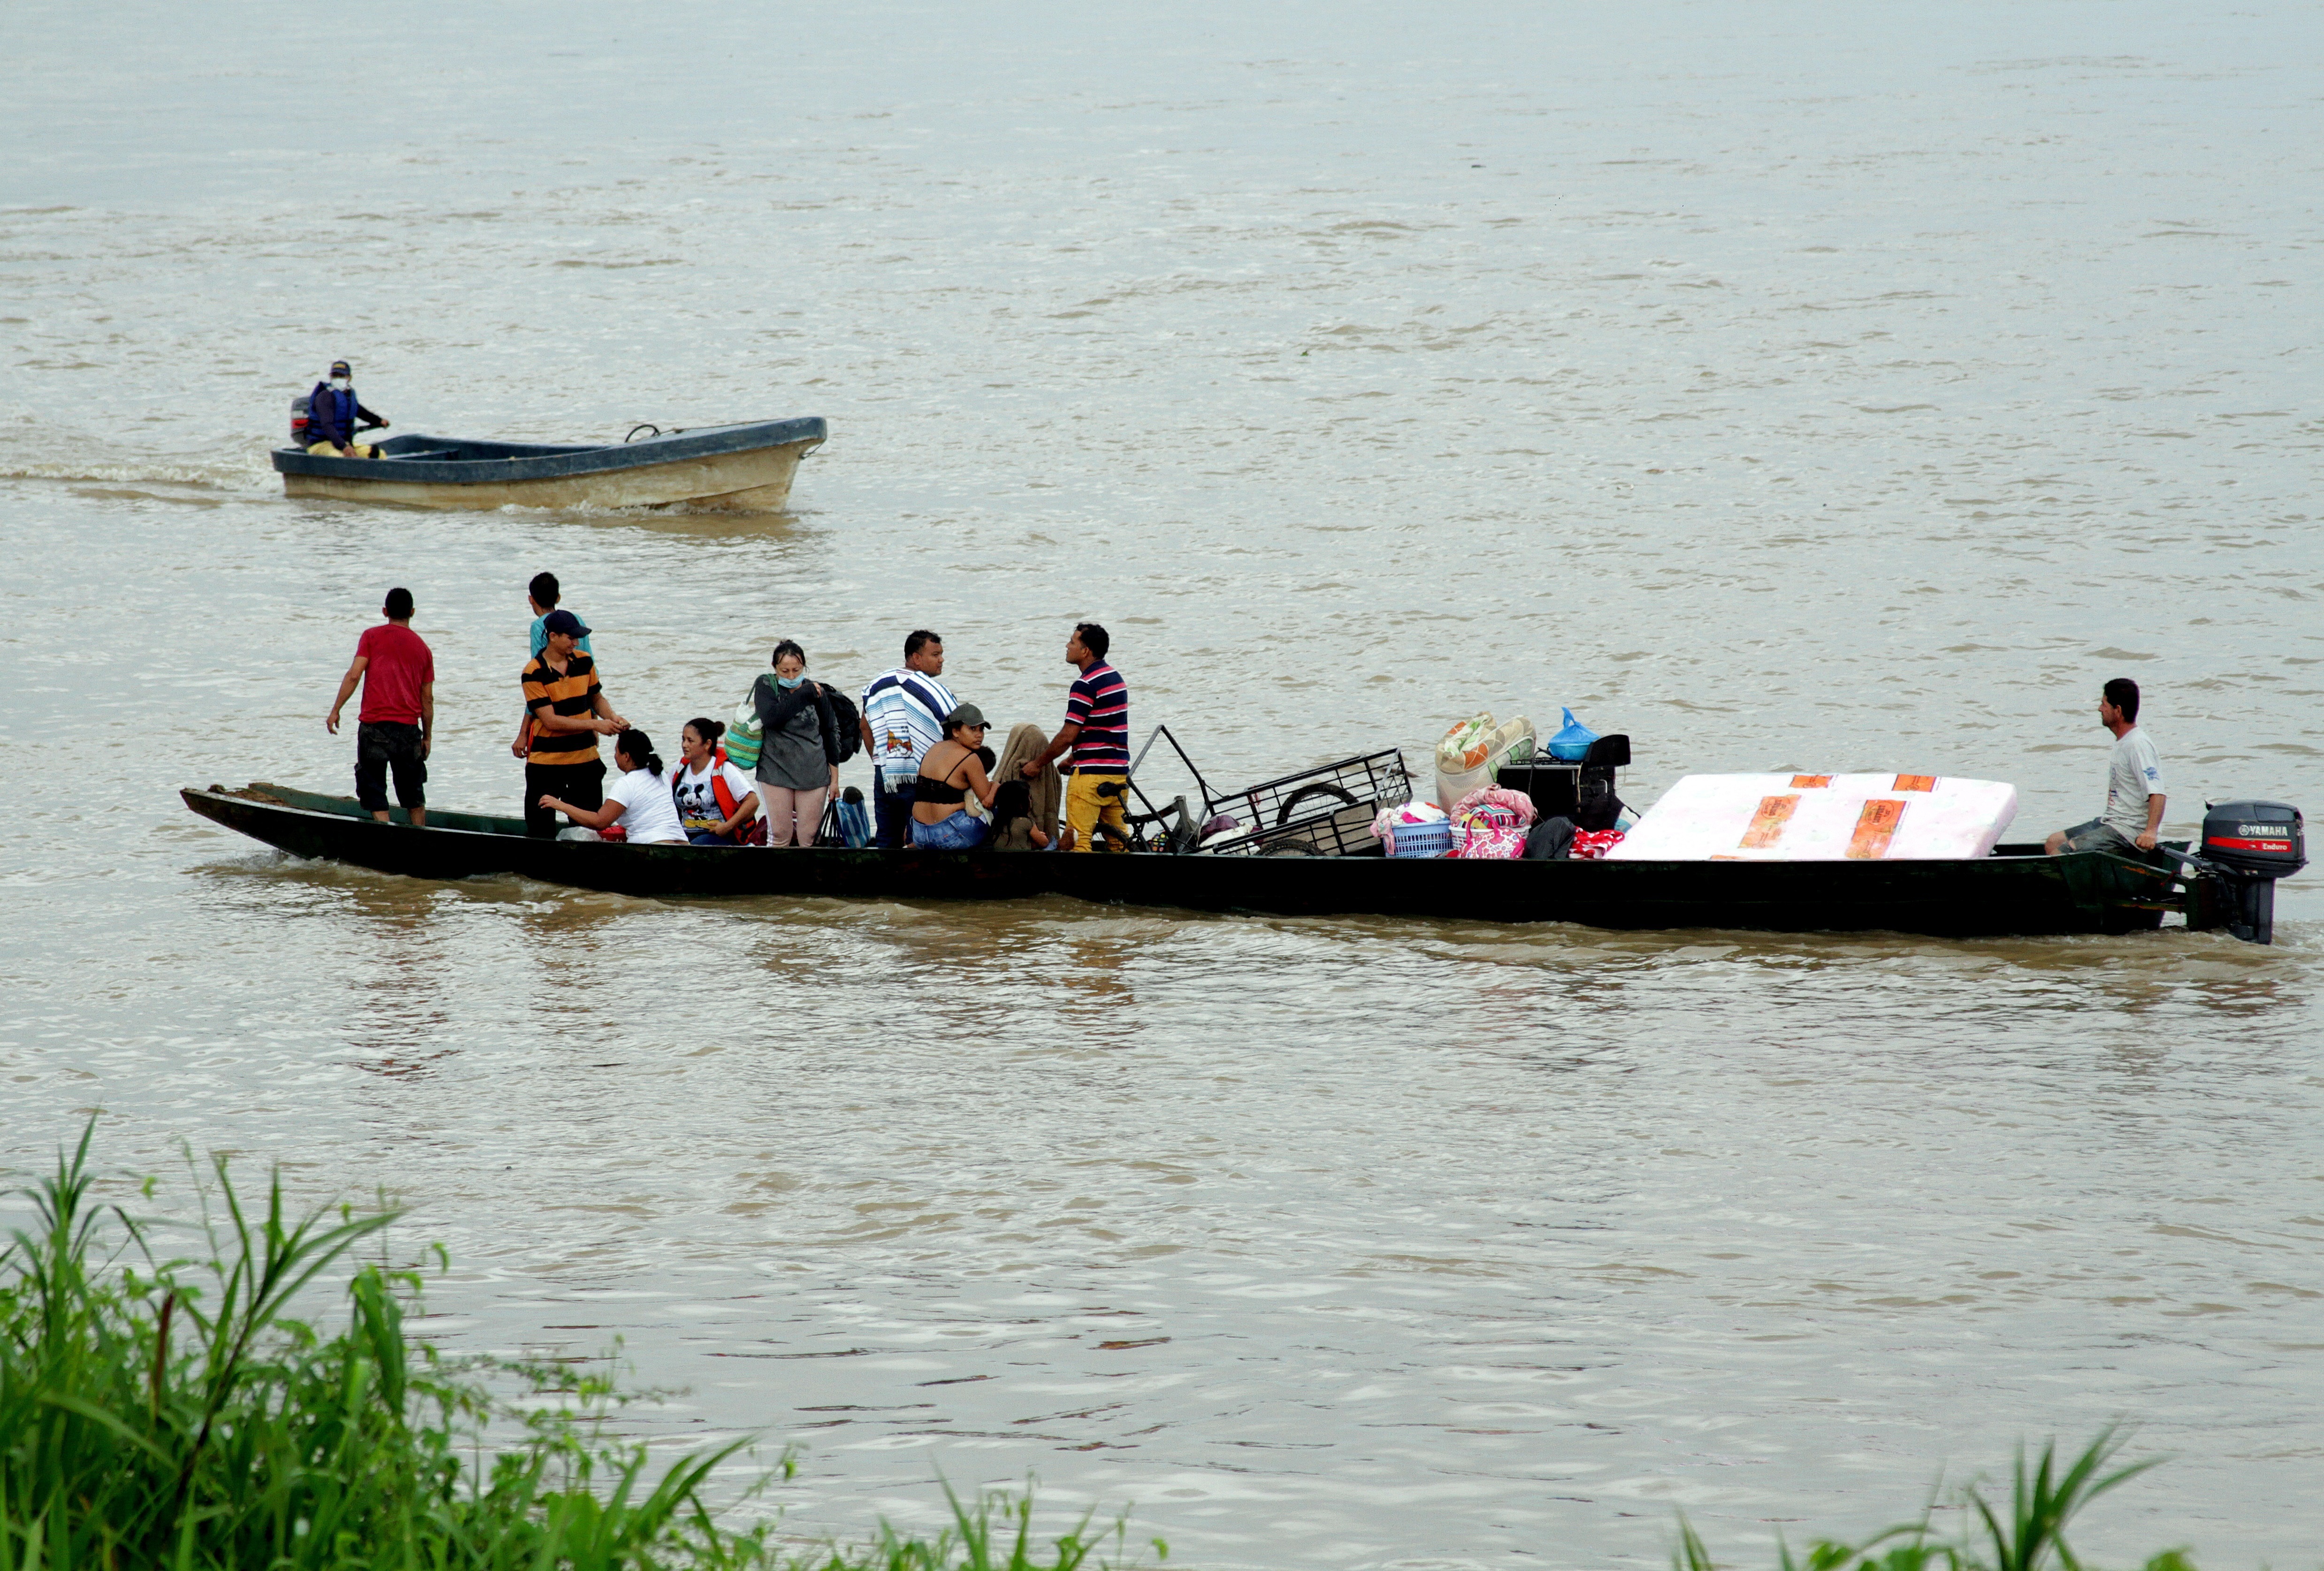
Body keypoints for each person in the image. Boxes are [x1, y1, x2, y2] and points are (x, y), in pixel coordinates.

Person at [325, 586, 434, 826]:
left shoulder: (371, 637)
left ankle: (384, 834)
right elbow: (427, 700)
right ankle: (420, 840)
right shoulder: (423, 649)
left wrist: (336, 710)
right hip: (408, 730)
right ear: (413, 612)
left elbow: (354, 675)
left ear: (385, 611)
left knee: (373, 789)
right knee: (413, 794)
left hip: (374, 727)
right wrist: (427, 737)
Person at [1021, 622, 1129, 853]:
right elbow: (1104, 728)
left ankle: (1078, 890)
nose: (1067, 646)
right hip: (1118, 774)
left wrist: (1038, 764)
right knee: (1119, 844)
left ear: (1085, 651)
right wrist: (1072, 759)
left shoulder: (1084, 684)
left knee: (1078, 844)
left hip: (1090, 778)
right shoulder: (1115, 679)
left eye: (1072, 642)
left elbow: (1068, 735)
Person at [521, 609, 627, 837]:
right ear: (553, 637)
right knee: (540, 830)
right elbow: (550, 721)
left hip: (585, 760)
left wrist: (613, 718)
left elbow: (596, 698)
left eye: (577, 638)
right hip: (546, 764)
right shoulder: (533, 672)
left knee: (587, 831)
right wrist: (595, 725)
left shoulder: (585, 662)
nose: (576, 643)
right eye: (571, 638)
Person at [858, 629, 958, 848]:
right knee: (919, 840)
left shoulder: (879, 684)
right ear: (916, 658)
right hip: (923, 779)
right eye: (935, 654)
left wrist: (880, 760)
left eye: (941, 654)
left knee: (886, 837)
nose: (942, 660)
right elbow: (958, 735)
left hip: (885, 775)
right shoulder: (934, 690)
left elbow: (865, 727)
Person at [2047, 678, 2168, 855]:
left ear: (2118, 711)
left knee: (2064, 853)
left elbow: (2157, 793)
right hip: (2111, 822)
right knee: (2053, 843)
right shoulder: (2124, 742)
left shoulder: (2137, 745)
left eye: (2104, 704)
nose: (2099, 709)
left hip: (2127, 830)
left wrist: (2150, 832)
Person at [752, 639, 843, 847]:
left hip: (814, 772)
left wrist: (835, 780)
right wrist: (803, 694)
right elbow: (772, 719)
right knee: (780, 835)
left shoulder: (817, 692)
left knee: (810, 837)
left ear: (804, 667)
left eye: (797, 670)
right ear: (775, 668)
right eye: (785, 671)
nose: (792, 676)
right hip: (775, 770)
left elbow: (830, 733)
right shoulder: (766, 685)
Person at [537, 729, 688, 845]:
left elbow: (600, 822)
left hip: (652, 844)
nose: (615, 756)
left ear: (627, 756)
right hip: (682, 842)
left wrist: (561, 805)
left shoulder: (627, 783)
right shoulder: (659, 773)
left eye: (616, 751)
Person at [511, 572, 593, 760]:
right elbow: (590, 672)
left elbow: (540, 678)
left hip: (554, 712)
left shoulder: (539, 627)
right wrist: (593, 721)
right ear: (558, 598)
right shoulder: (577, 620)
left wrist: (523, 733)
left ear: (531, 600)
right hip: (582, 705)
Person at [912, 706, 1000, 849]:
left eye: (981, 729)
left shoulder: (933, 749)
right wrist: (996, 785)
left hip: (919, 835)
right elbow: (988, 803)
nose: (979, 735)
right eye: (972, 729)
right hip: (948, 837)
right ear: (956, 731)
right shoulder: (969, 758)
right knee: (998, 810)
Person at [671, 717, 761, 846]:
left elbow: (753, 802)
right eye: (683, 739)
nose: (684, 745)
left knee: (695, 847)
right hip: (685, 833)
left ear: (708, 744)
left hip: (720, 835)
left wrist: (728, 826)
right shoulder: (678, 769)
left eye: (690, 741)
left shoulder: (724, 769)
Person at [994, 722, 1061, 847]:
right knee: (1051, 844)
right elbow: (1044, 842)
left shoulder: (997, 820)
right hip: (1033, 844)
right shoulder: (1027, 823)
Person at [305, 359, 389, 458]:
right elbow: (327, 426)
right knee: (341, 458)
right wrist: (344, 447)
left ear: (349, 378)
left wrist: (379, 421)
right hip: (320, 445)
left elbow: (361, 412)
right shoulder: (324, 397)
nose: (338, 379)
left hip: (343, 444)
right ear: (331, 377)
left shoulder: (347, 396)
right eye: (335, 376)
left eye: (341, 376)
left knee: (379, 454)